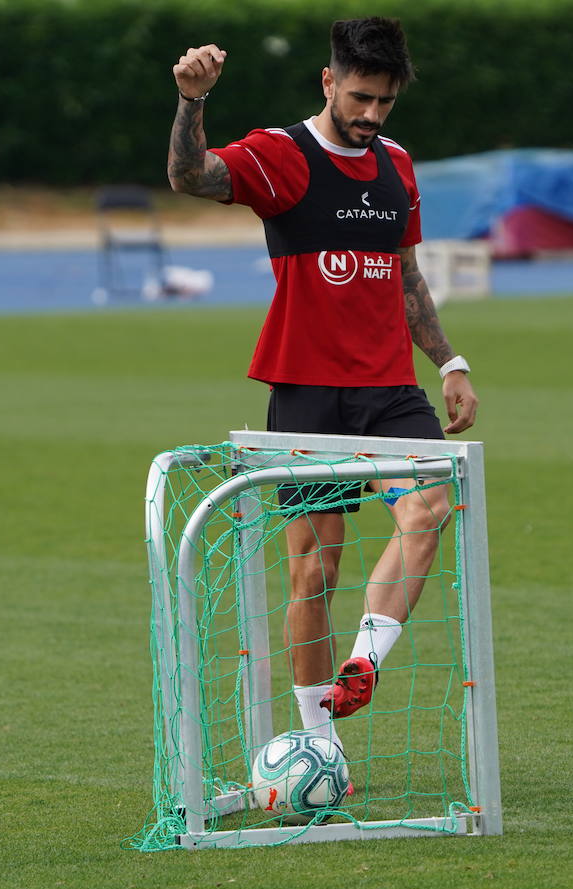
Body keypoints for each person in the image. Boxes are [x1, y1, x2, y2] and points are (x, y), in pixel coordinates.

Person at [167, 17, 479, 752]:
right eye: (361, 98)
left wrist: (451, 363)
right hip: (305, 395)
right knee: (314, 572)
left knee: (430, 508)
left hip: (388, 394)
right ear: (329, 81)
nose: (372, 115)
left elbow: (405, 278)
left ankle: (363, 663)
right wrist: (191, 102)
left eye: (386, 102)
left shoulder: (398, 165)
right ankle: (317, 742)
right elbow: (189, 176)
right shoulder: (282, 156)